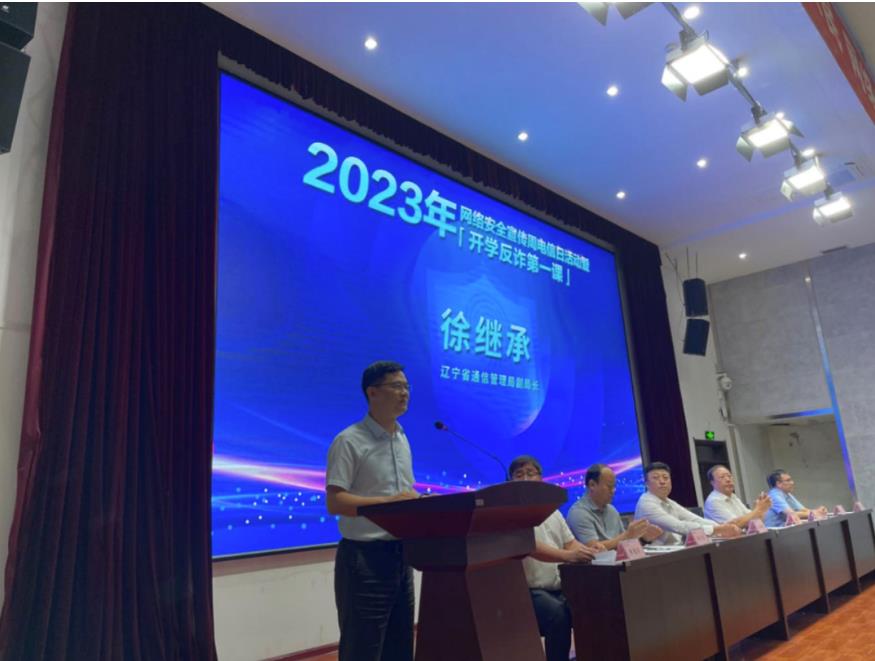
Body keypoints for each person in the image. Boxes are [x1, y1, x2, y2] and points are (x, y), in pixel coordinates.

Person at [325, 361, 420, 661]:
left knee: (400, 648)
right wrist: (389, 505)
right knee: (362, 650)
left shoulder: (401, 438)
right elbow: (336, 502)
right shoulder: (349, 441)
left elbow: (402, 495)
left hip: (401, 556)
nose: (404, 393)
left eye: (406, 387)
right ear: (373, 392)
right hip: (364, 561)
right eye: (397, 386)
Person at [510, 455, 596, 661]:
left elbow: (570, 543)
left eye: (530, 473)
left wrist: (589, 551)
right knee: (558, 615)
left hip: (559, 585)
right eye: (519, 475)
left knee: (591, 602)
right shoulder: (510, 512)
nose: (525, 479)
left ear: (540, 479)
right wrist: (569, 555)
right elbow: (531, 547)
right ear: (510, 482)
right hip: (528, 591)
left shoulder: (552, 511)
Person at [634, 462, 741, 545]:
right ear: (646, 483)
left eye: (666, 478)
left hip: (676, 549)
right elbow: (679, 526)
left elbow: (694, 519)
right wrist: (717, 529)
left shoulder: (668, 501)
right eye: (656, 478)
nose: (662, 481)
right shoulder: (646, 504)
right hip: (656, 557)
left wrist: (722, 527)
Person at [566, 463, 662, 549]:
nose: (613, 491)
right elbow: (594, 549)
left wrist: (643, 539)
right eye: (609, 486)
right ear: (592, 485)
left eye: (614, 486)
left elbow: (625, 543)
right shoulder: (578, 513)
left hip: (621, 561)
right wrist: (627, 535)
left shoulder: (612, 510)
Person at [703, 464, 772, 528]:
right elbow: (735, 525)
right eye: (722, 477)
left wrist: (763, 509)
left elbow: (753, 520)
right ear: (712, 482)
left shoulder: (733, 497)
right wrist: (758, 509)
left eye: (729, 476)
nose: (728, 480)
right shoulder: (713, 501)